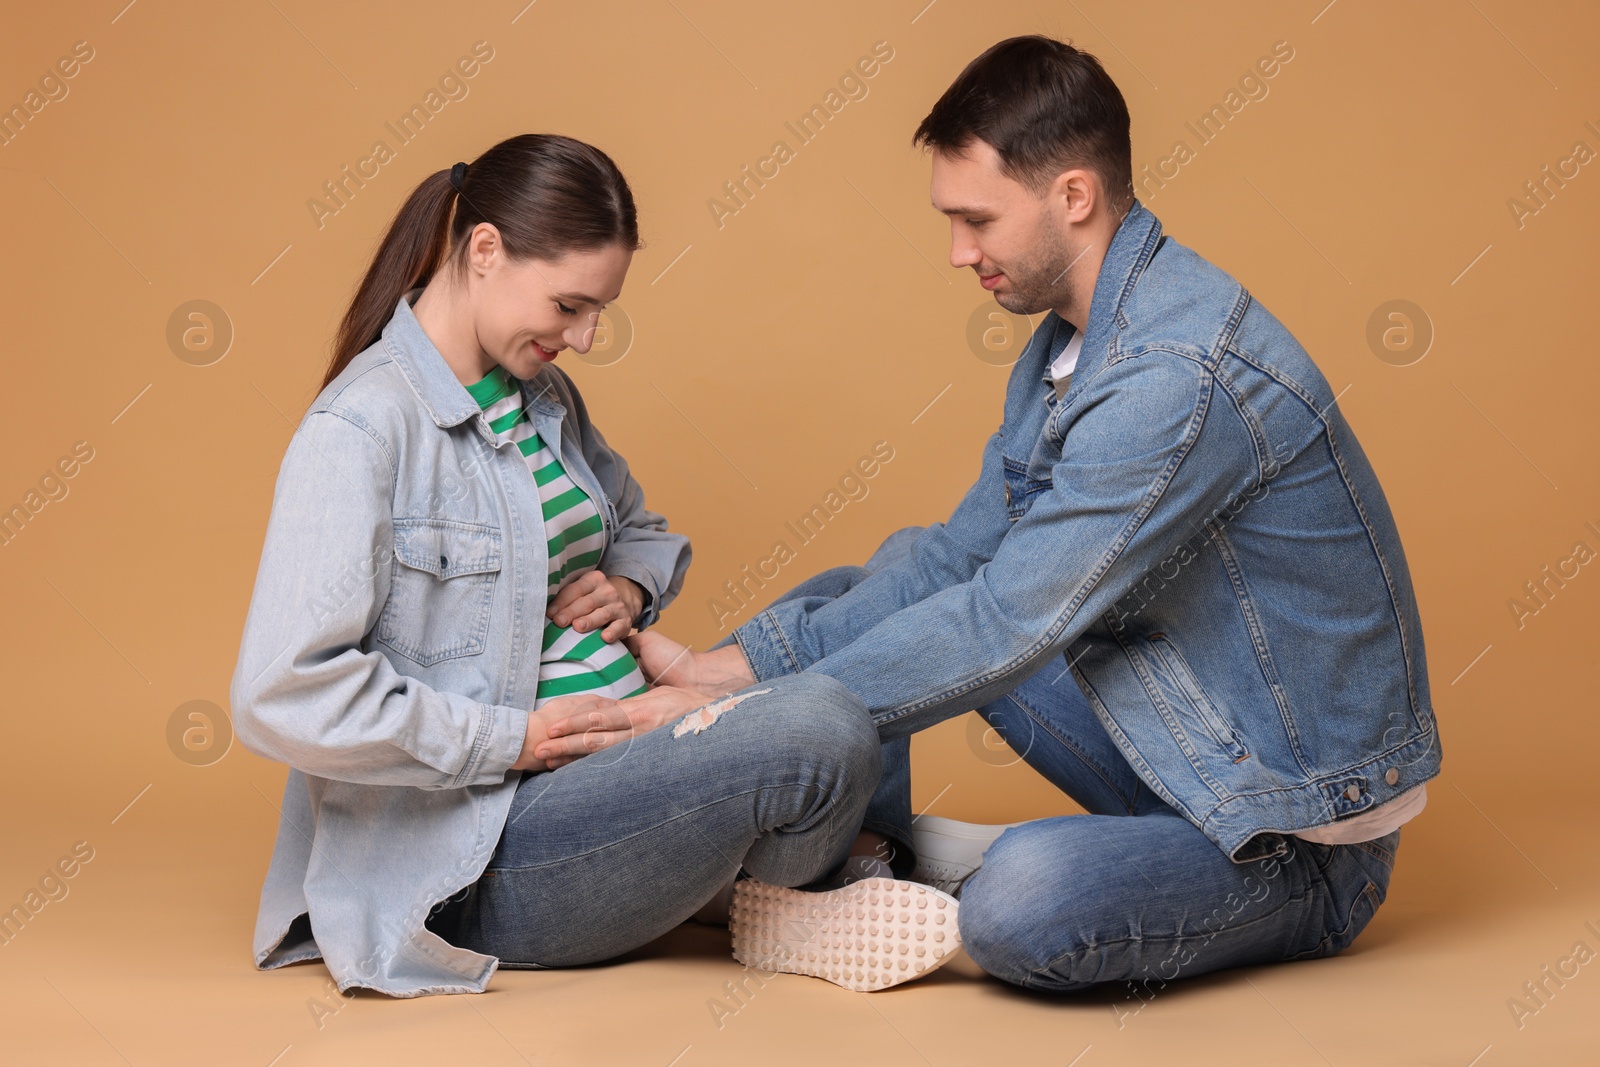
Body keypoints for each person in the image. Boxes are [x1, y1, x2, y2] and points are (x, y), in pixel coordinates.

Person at [629, 36, 1443, 996]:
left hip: (1286, 828)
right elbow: (956, 563)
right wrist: (728, 668)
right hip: (1187, 726)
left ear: (1073, 196)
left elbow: (1008, 619)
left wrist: (757, 717)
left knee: (1021, 903)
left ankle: (953, 866)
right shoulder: (1076, 343)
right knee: (892, 577)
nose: (956, 252)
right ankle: (865, 856)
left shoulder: (1172, 375)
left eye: (977, 219)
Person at [229, 133, 960, 999]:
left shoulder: (541, 398)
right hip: (497, 848)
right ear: (485, 251)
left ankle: (800, 877)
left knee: (879, 590)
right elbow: (281, 692)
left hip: (636, 764)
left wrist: (627, 587)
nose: (584, 336)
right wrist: (519, 738)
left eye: (598, 310)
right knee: (823, 720)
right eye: (571, 305)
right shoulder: (361, 431)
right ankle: (842, 868)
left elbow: (641, 528)